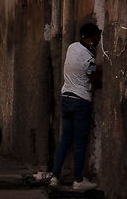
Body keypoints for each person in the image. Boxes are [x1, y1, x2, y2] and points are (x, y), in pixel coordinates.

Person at [39, 21, 101, 190]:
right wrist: (99, 70)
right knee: (80, 141)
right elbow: (95, 80)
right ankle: (78, 180)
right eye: (97, 37)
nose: (98, 40)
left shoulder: (72, 47)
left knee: (65, 139)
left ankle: (55, 176)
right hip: (80, 101)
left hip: (66, 97)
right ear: (90, 38)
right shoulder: (88, 58)